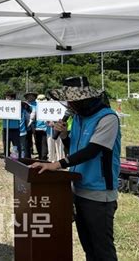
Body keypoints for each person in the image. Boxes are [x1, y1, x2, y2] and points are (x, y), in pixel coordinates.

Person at [30, 76, 121, 261]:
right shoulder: (78, 118)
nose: (69, 104)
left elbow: (93, 151)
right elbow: (75, 149)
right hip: (77, 189)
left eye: (73, 100)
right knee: (88, 246)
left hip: (99, 194)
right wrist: (64, 135)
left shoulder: (108, 118)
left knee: (102, 250)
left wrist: (56, 164)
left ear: (85, 99)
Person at [2, 92, 21, 158]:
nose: (6, 99)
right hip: (5, 128)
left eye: (8, 97)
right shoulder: (3, 106)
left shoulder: (17, 106)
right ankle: (6, 159)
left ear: (13, 98)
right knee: (6, 145)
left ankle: (16, 160)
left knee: (15, 146)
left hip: (15, 129)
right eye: (6, 97)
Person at [33, 94, 48, 160]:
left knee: (39, 143)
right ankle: (43, 157)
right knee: (43, 143)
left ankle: (41, 157)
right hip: (44, 128)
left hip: (38, 128)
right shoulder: (47, 107)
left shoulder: (36, 107)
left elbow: (32, 117)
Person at [23, 92, 38, 157]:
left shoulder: (37, 104)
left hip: (35, 123)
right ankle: (30, 151)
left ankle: (38, 150)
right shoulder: (25, 104)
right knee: (28, 138)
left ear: (34, 97)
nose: (30, 97)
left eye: (32, 96)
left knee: (36, 138)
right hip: (27, 123)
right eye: (29, 96)